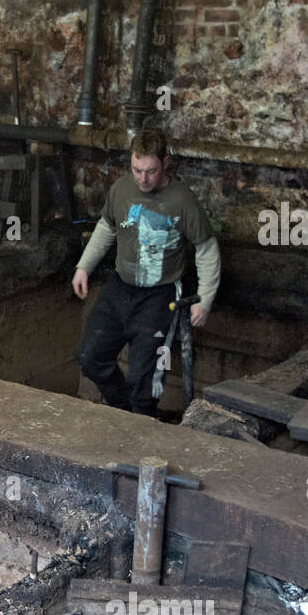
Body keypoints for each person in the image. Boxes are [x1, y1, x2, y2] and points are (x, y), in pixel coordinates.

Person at [71, 127, 221, 417]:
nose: (142, 178)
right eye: (137, 169)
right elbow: (106, 228)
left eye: (150, 171)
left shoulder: (183, 200)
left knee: (144, 378)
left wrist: (205, 299)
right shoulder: (121, 189)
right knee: (89, 357)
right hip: (120, 287)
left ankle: (142, 425)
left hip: (160, 296)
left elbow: (206, 249)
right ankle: (124, 411)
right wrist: (83, 267)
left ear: (165, 163)